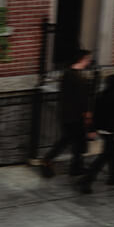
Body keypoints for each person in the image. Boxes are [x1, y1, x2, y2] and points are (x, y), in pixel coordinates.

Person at [40, 49, 93, 178]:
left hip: (66, 114)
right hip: (76, 116)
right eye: (88, 59)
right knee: (74, 141)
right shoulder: (79, 78)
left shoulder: (67, 74)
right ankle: (51, 160)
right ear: (82, 59)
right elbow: (82, 99)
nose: (89, 62)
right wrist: (87, 115)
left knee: (70, 140)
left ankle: (73, 166)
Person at [79, 74, 114, 193]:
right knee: (103, 157)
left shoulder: (100, 95)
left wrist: (92, 129)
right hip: (110, 130)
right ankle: (87, 181)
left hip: (102, 129)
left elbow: (95, 114)